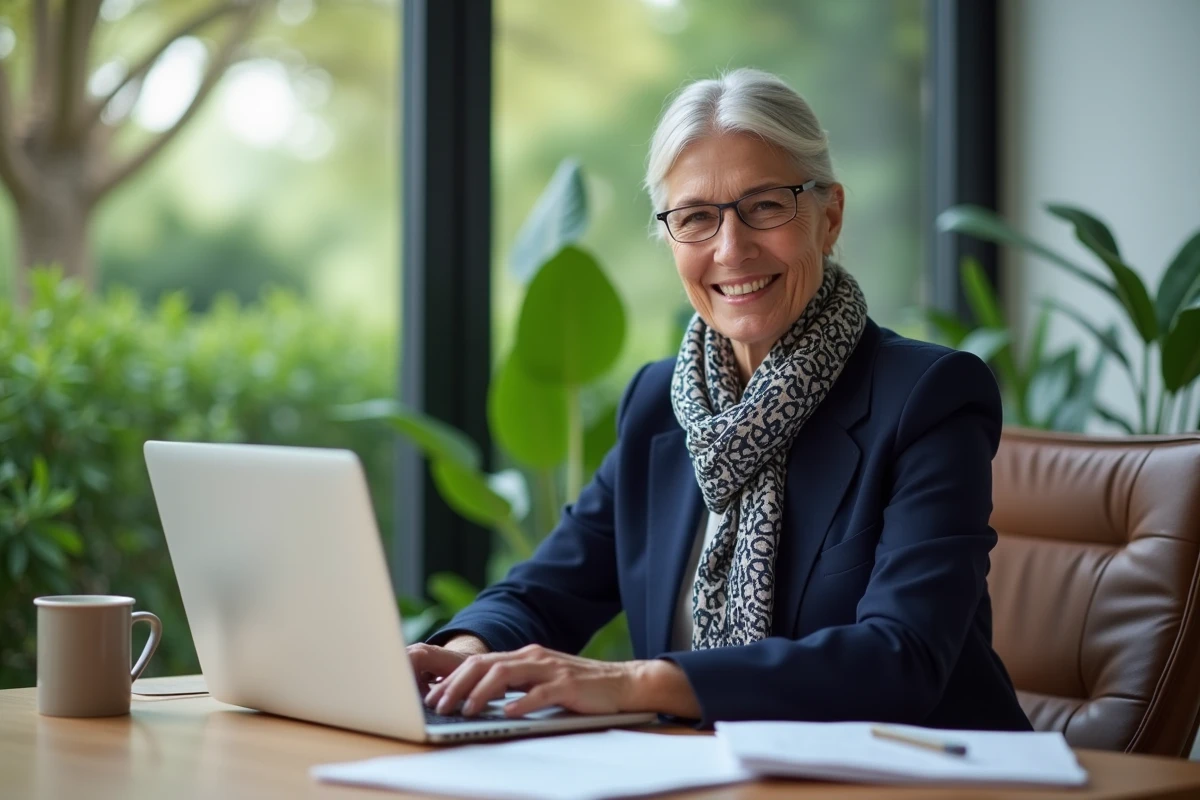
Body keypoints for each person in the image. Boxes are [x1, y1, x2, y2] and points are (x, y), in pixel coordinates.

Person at [408, 68, 1032, 731]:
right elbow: (549, 587)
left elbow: (900, 659)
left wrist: (635, 684)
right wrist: (462, 657)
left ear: (830, 216)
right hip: (709, 775)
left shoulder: (926, 398)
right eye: (696, 217)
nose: (731, 249)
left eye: (765, 205)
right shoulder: (660, 403)